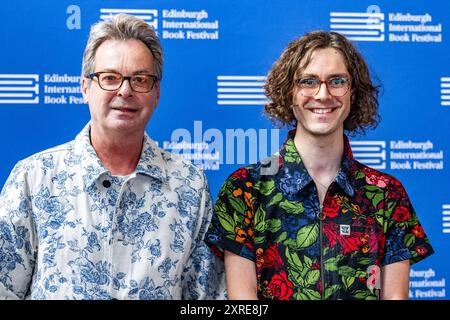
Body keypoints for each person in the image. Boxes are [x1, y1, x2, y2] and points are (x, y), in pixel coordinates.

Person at [0, 14, 225, 300]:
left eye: (140, 80)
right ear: (85, 87)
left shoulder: (189, 186)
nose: (125, 90)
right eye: (109, 78)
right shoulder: (34, 178)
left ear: (156, 93)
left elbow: (204, 298)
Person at [206, 31, 434, 300]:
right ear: (288, 92)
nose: (323, 94)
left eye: (337, 81)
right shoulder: (245, 189)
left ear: (353, 92)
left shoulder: (387, 194)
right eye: (308, 81)